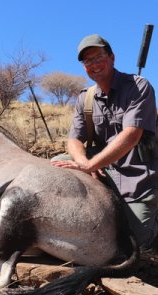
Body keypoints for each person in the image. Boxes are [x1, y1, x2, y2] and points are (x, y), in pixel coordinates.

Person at [51, 34, 158, 250]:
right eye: (87, 61)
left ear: (111, 57)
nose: (93, 65)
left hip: (137, 176)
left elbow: (131, 136)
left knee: (138, 245)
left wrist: (91, 165)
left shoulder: (138, 87)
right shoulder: (85, 98)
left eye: (98, 57)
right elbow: (74, 139)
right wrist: (83, 162)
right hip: (103, 170)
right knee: (56, 164)